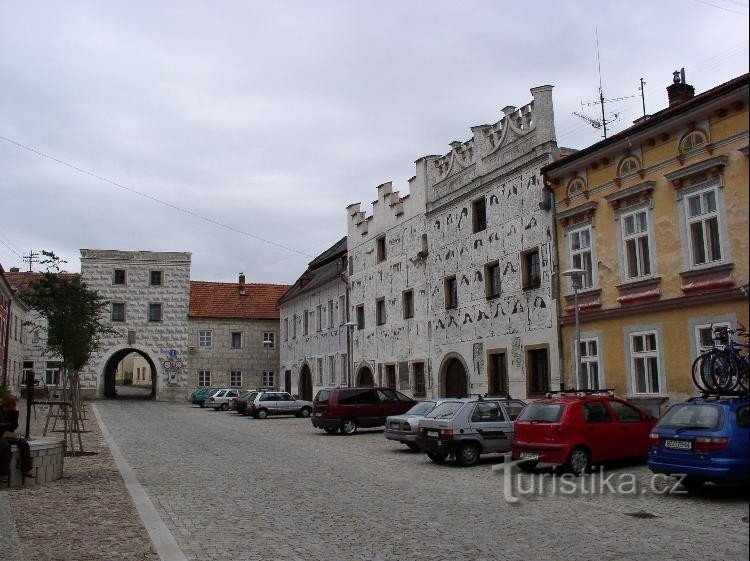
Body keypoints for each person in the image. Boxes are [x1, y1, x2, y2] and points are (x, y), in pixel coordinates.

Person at [0, 394, 34, 482]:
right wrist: (6, 425)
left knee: (24, 443)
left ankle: (26, 469)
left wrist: (15, 414)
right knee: (5, 446)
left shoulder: (12, 411)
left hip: (8, 434)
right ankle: (4, 473)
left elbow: (14, 426)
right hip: (0, 435)